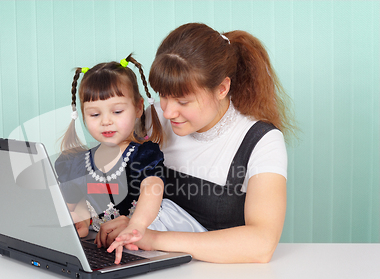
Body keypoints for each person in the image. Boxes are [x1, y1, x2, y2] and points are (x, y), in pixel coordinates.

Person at [101, 23, 295, 263]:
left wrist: (154, 238)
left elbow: (262, 243)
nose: (168, 111)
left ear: (222, 88)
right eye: (163, 94)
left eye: (183, 101)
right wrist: (128, 220)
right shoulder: (154, 121)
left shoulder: (260, 141)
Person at [55, 54, 207, 263]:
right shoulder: (76, 163)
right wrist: (79, 219)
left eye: (117, 111)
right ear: (82, 115)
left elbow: (152, 189)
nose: (106, 121)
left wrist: (136, 226)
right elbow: (75, 203)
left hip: (150, 231)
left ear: (137, 107)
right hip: (107, 243)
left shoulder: (143, 155)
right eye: (94, 115)